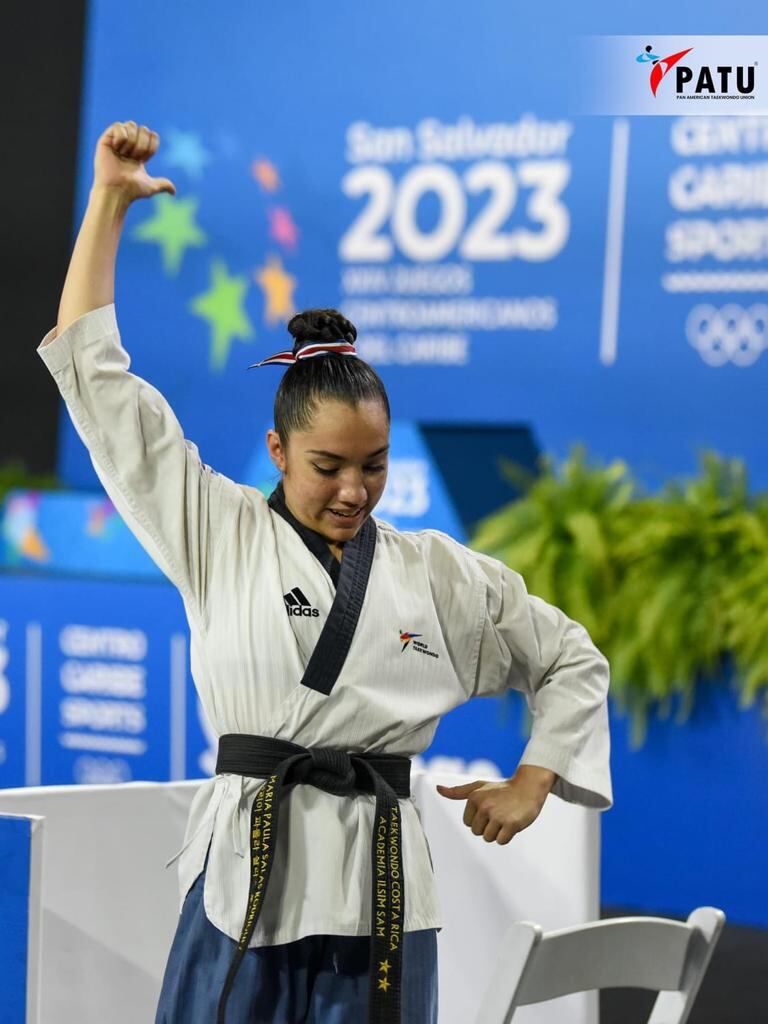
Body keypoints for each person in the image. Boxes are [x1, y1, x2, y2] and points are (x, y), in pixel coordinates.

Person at [38, 120, 613, 1024]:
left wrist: (535, 777)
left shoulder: (439, 574)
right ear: (277, 449)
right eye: (328, 467)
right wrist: (108, 202)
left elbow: (570, 657)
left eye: (374, 465)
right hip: (243, 887)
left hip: (384, 902)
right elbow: (96, 377)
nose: (354, 491)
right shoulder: (214, 527)